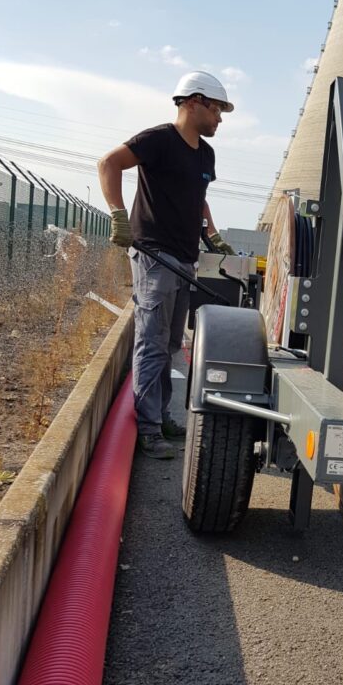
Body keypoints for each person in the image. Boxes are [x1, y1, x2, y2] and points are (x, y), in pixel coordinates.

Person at [98, 71, 236, 459]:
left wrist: (211, 231)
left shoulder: (205, 154)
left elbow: (199, 198)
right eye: (217, 109)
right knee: (152, 343)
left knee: (172, 344)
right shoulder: (158, 140)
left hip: (184, 259)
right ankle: (149, 428)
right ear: (192, 102)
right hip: (154, 254)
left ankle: (159, 415)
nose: (220, 119)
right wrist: (117, 215)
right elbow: (109, 163)